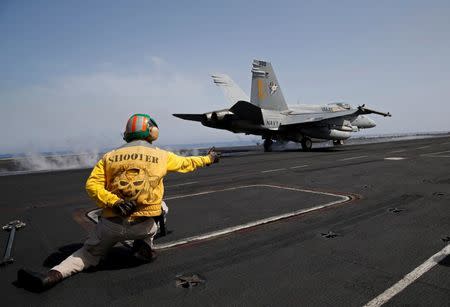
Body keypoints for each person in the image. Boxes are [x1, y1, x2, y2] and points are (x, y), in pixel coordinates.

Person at [18, 113, 220, 291]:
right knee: (162, 207)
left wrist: (114, 202)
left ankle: (52, 276)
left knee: (86, 254)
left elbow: (92, 185)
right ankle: (145, 246)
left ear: (127, 134)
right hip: (143, 224)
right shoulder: (161, 155)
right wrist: (209, 158)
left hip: (111, 225)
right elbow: (188, 163)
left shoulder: (109, 156)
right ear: (152, 132)